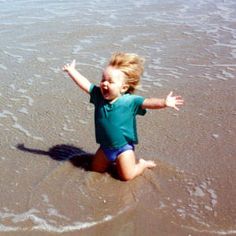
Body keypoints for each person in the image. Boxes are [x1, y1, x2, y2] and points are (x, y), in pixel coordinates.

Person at [63, 52, 184, 181]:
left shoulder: (130, 101)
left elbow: (148, 102)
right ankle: (112, 162)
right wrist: (72, 71)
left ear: (124, 87)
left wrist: (164, 103)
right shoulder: (98, 96)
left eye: (110, 82)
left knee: (127, 176)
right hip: (105, 147)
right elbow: (85, 84)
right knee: (96, 170)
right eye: (103, 79)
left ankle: (142, 164)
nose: (104, 84)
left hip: (123, 148)